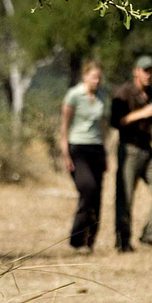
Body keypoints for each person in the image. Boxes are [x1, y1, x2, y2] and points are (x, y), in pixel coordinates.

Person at [109, 55, 152, 251]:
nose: (149, 75)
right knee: (125, 197)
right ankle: (122, 241)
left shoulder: (151, 94)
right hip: (129, 148)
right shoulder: (124, 92)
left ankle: (151, 236)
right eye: (145, 71)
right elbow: (116, 121)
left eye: (151, 71)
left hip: (147, 148)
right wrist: (142, 113)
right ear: (136, 71)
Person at [59, 60, 107, 252]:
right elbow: (64, 126)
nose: (97, 81)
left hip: (97, 148)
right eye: (94, 77)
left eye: (99, 78)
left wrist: (105, 153)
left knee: (98, 196)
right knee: (88, 189)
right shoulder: (74, 95)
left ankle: (90, 240)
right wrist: (65, 154)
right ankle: (76, 237)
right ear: (85, 76)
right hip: (78, 147)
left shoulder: (101, 97)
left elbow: (101, 127)